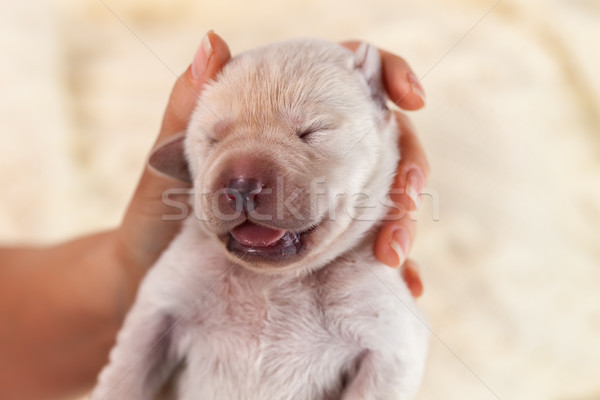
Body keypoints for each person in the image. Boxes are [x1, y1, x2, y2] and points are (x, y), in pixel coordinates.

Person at [0, 31, 429, 400]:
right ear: (182, 158)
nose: (243, 184)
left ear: (378, 107)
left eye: (310, 133)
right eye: (214, 140)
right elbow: (150, 329)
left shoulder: (366, 275)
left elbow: (396, 355)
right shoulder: (194, 261)